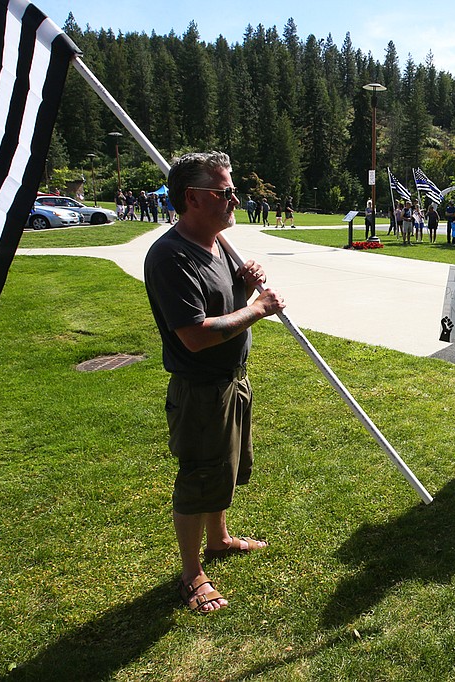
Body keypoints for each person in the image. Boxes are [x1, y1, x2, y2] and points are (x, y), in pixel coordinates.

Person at [143, 151, 286, 614]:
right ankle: (191, 575)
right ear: (193, 198)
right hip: (200, 387)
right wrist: (259, 308)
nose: (234, 200)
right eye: (225, 192)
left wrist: (245, 285)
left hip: (231, 380)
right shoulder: (170, 257)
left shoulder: (218, 245)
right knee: (200, 473)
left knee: (225, 467)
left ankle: (219, 539)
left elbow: (222, 305)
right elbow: (195, 335)